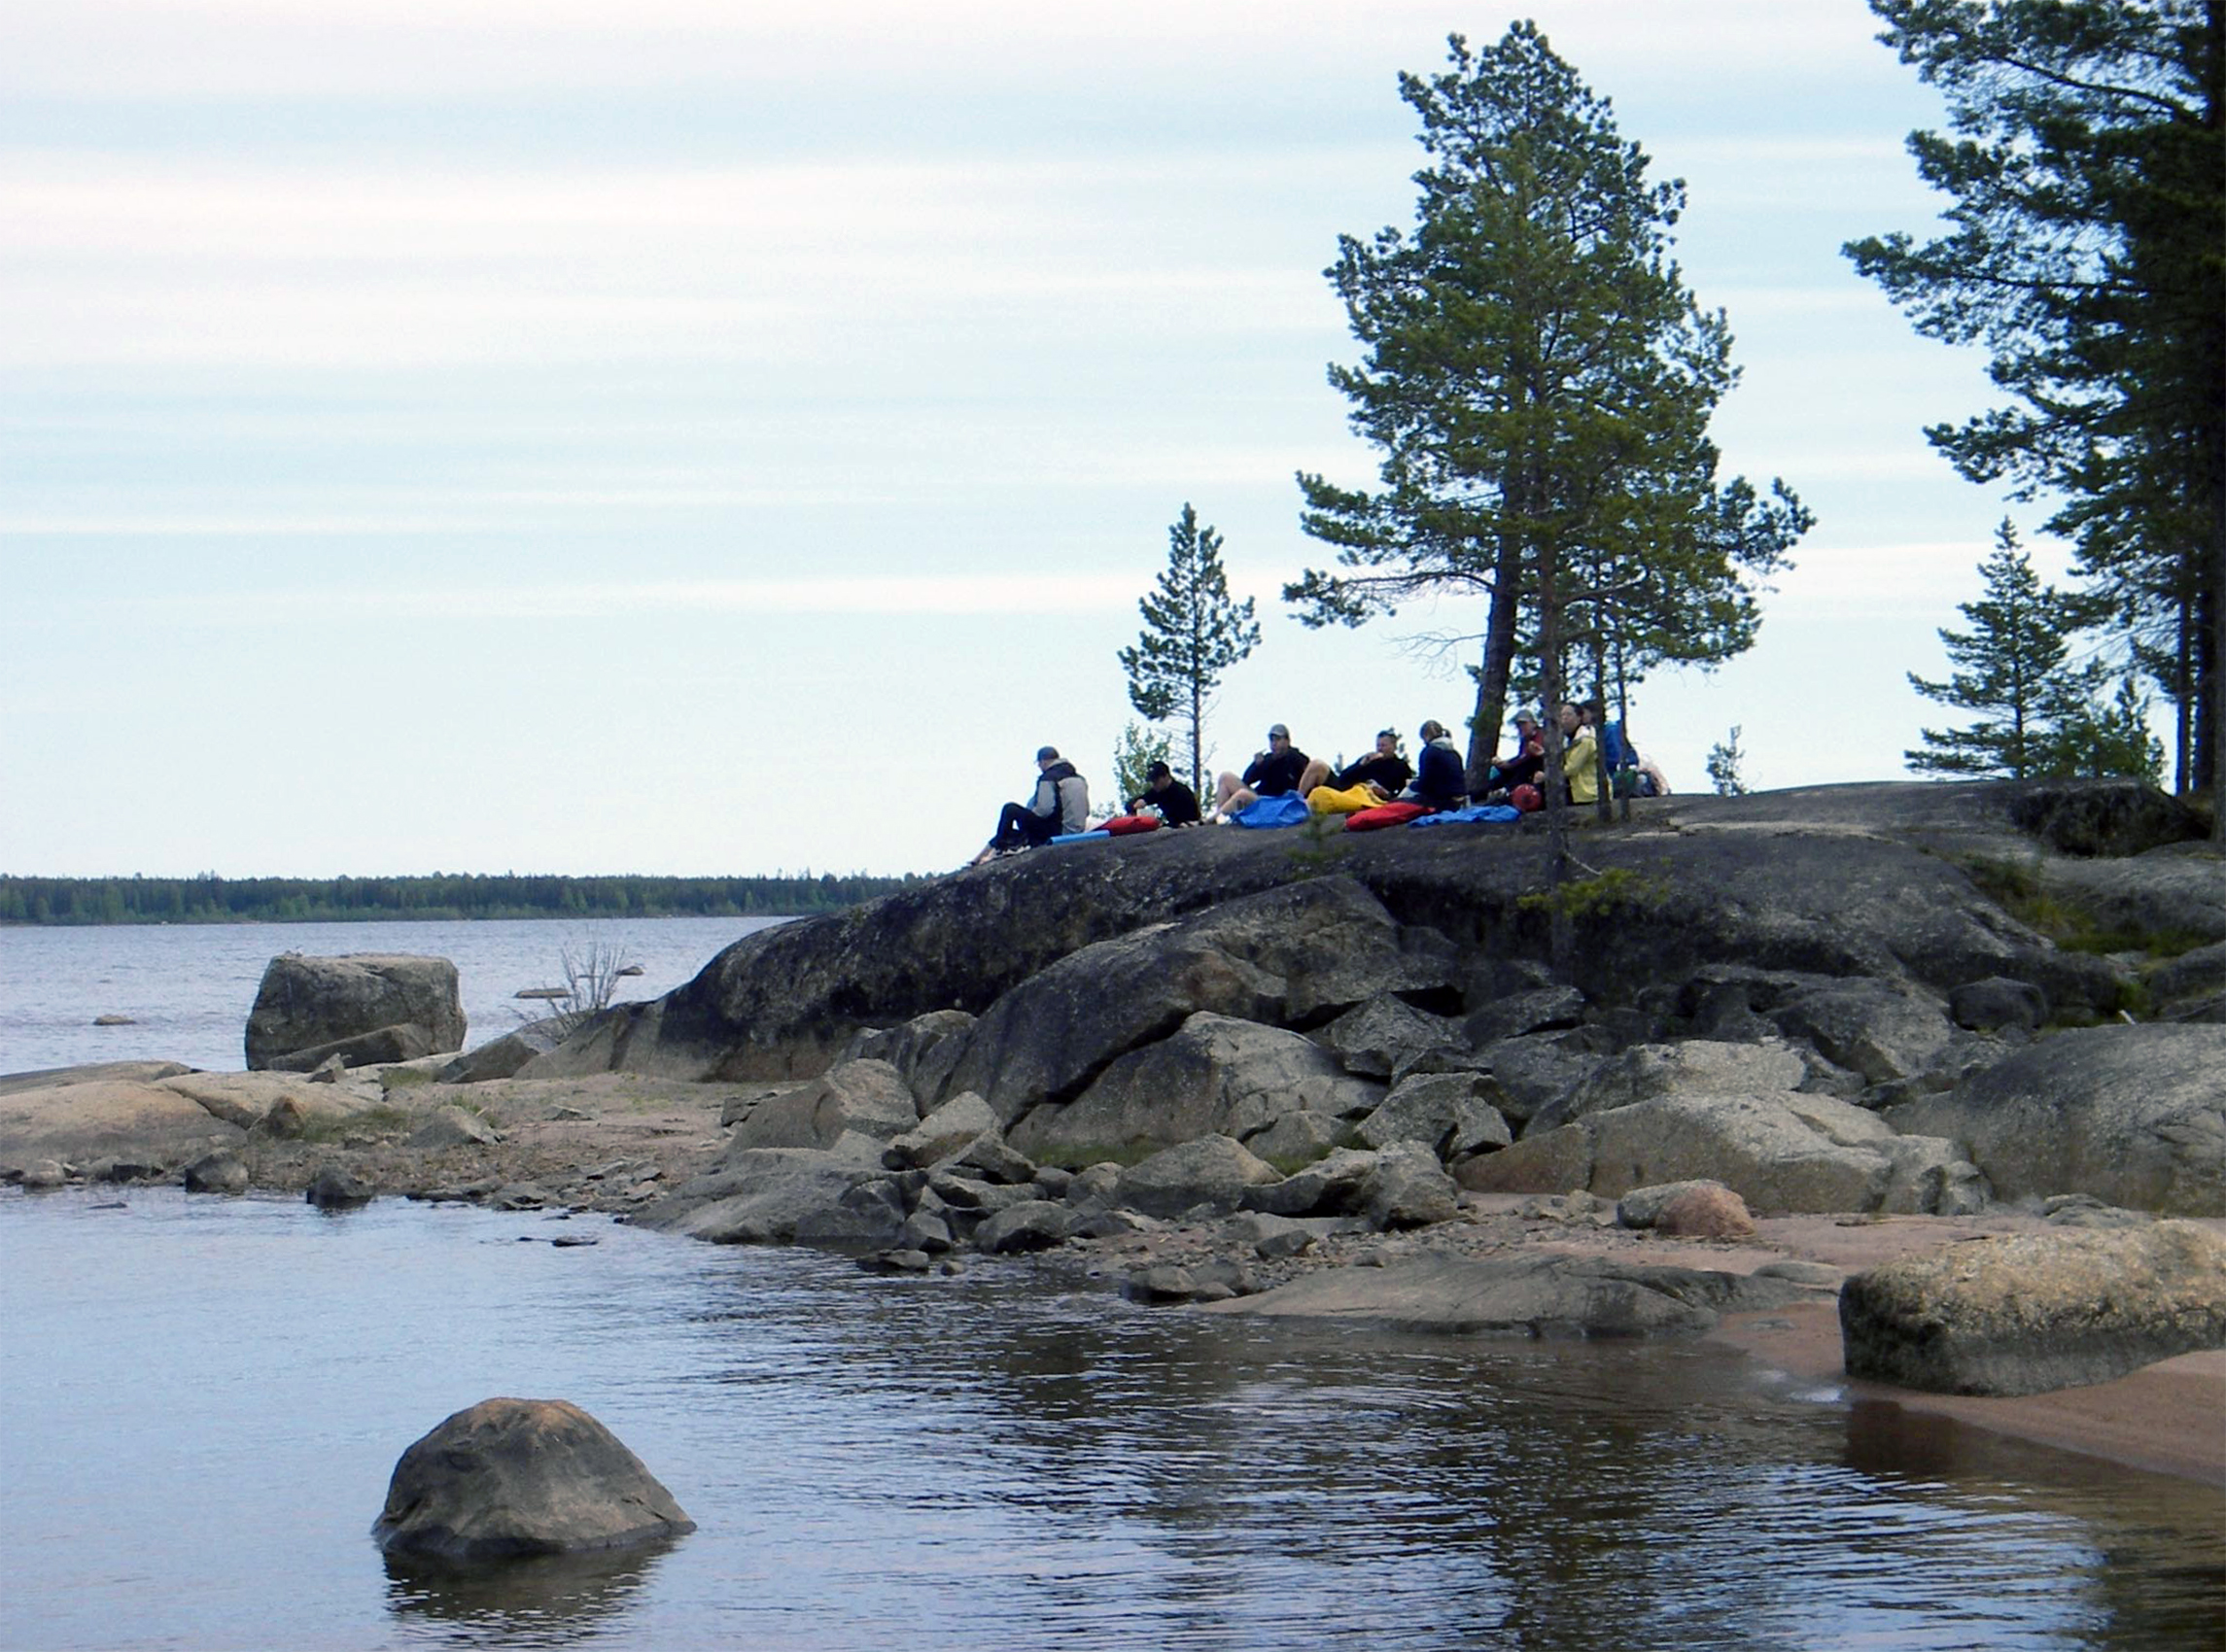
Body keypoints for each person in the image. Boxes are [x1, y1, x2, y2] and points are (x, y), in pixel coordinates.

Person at [972, 746, 1090, 864]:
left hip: (1057, 832)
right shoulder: (1079, 779)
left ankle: (1001, 848)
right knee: (1008, 833)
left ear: (1043, 761)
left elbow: (1044, 810)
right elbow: (1087, 811)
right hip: (1076, 830)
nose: (1039, 767)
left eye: (1038, 763)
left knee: (1010, 809)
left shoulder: (1048, 778)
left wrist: (1029, 815)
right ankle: (980, 857)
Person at [1212, 723, 1310, 818]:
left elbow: (1307, 777)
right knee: (1225, 777)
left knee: (1243, 794)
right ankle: (1219, 818)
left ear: (1287, 741)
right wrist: (1256, 765)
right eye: (1271, 740)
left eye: (1278, 739)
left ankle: (1215, 818)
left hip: (1280, 804)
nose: (1274, 743)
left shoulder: (1296, 758)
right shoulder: (1267, 759)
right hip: (1260, 801)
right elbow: (1246, 780)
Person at [1296, 728, 1413, 799]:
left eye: (1384, 745)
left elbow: (1404, 793)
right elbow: (1343, 777)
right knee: (1317, 765)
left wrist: (1386, 794)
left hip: (1368, 797)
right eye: (1378, 745)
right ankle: (1298, 800)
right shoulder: (1369, 760)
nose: (1380, 749)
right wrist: (1361, 765)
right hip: (1346, 791)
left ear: (1394, 746)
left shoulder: (1400, 766)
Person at [1402, 718, 1468, 812]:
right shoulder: (1454, 753)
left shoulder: (1429, 752)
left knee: (1400, 801)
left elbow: (1425, 785)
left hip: (1440, 801)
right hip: (1458, 798)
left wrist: (1411, 785)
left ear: (1425, 736)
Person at [1127, 760, 1202, 827]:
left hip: (1188, 826)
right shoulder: (1157, 791)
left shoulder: (1181, 792)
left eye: (1156, 780)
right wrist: (1136, 805)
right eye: (1152, 781)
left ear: (1166, 776)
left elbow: (1187, 819)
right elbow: (1140, 800)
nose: (1154, 784)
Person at [1485, 711, 1547, 793]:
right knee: (1501, 776)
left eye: (1524, 724)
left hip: (1538, 770)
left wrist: (1509, 764)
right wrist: (1504, 764)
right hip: (1526, 770)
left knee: (1519, 771)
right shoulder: (1525, 740)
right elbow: (1521, 757)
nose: (1521, 728)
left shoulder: (1541, 735)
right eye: (1518, 725)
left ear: (1533, 723)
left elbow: (1527, 756)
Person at [1558, 703, 1601, 806]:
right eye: (1562, 715)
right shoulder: (1567, 740)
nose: (1564, 718)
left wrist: (1547, 776)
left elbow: (1571, 768)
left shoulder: (1585, 739)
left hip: (1588, 793)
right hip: (1576, 792)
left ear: (1579, 718)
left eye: (1568, 715)